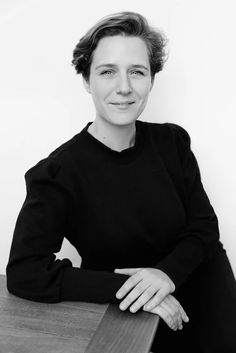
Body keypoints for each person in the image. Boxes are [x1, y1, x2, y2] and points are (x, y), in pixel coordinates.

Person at [6, 11, 236, 353]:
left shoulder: (172, 141)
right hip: (128, 309)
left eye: (137, 72)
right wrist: (128, 288)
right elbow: (26, 271)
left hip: (207, 291)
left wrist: (165, 275)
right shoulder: (57, 172)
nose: (124, 87)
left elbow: (204, 228)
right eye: (107, 71)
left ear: (151, 80)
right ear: (87, 80)